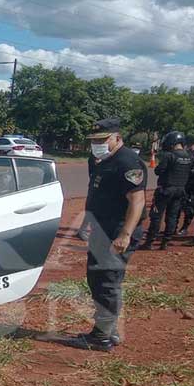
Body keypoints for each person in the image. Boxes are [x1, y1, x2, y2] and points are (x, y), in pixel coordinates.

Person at [76, 118, 146, 352]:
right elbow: (95, 194)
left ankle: (102, 337)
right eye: (94, 141)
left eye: (102, 140)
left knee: (108, 281)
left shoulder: (128, 161)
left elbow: (137, 201)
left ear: (117, 137)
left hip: (117, 230)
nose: (97, 144)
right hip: (101, 228)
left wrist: (125, 234)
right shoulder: (101, 160)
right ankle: (108, 330)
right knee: (96, 279)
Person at [139, 131, 192, 250]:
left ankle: (149, 242)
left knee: (156, 216)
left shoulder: (169, 156)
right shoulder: (189, 157)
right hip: (180, 190)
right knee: (172, 216)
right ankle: (165, 242)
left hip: (166, 190)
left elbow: (158, 171)